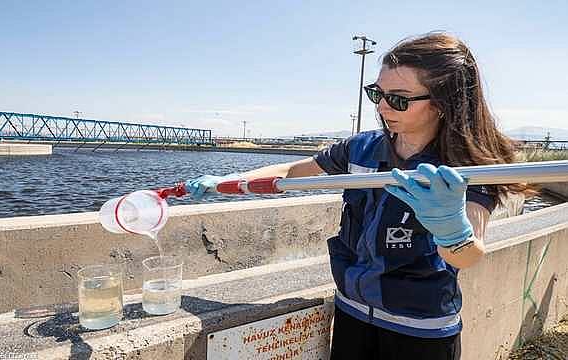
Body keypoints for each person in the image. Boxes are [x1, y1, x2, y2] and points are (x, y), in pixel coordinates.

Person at [185, 32, 527, 360]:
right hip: (351, 311)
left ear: (441, 104)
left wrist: (450, 227)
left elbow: (466, 257)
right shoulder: (362, 149)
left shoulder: (467, 167)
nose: (382, 108)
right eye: (377, 94)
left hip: (421, 329)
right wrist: (227, 181)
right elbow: (292, 173)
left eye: (399, 99)